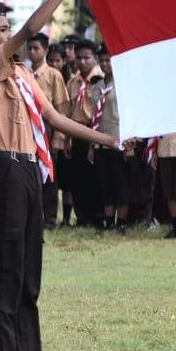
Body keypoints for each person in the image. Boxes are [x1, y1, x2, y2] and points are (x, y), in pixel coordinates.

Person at [0, 0, 116, 351]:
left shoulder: (23, 76)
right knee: (5, 274)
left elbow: (54, 120)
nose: (9, 30)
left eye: (7, 25)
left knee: (29, 278)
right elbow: (33, 27)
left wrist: (108, 139)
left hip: (31, 173)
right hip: (5, 171)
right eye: (0, 27)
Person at [87, 45, 132, 231]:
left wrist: (130, 143)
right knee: (105, 182)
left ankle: (121, 222)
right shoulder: (98, 85)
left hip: (118, 139)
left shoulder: (123, 84)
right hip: (100, 140)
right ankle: (107, 220)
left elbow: (129, 113)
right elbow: (93, 116)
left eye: (109, 60)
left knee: (120, 182)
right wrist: (91, 145)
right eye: (102, 60)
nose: (105, 64)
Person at [28, 34, 70, 228]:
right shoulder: (25, 73)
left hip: (48, 129)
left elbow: (62, 107)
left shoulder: (54, 75)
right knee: (30, 173)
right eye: (29, 48)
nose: (32, 52)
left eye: (36, 48)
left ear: (45, 50)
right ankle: (33, 215)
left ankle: (50, 217)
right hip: (28, 129)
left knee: (49, 174)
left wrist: (59, 138)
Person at [67, 41, 104, 227]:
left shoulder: (101, 80)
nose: (82, 62)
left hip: (94, 132)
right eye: (79, 58)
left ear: (95, 58)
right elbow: (68, 112)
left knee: (95, 177)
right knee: (78, 177)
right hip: (76, 133)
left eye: (86, 58)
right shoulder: (73, 82)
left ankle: (96, 215)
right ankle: (81, 216)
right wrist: (66, 139)